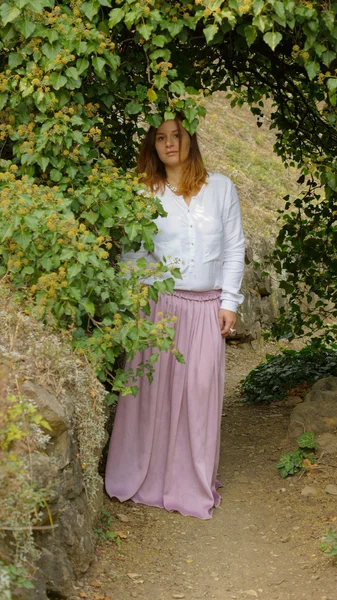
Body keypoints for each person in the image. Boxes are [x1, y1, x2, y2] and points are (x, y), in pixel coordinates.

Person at [104, 114, 245, 519]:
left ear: (190, 139)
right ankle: (147, 477)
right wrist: (137, 307)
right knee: (152, 397)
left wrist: (230, 302)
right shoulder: (145, 193)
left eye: (176, 135)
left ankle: (190, 483)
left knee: (199, 395)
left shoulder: (220, 189)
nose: (169, 143)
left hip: (207, 309)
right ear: (152, 145)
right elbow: (132, 256)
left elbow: (235, 248)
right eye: (161, 137)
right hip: (159, 309)